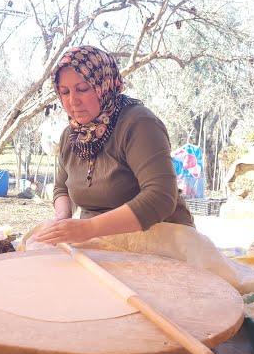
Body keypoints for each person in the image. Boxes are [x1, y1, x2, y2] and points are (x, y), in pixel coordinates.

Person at [33, 45, 194, 246]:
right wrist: (61, 219)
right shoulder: (71, 136)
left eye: (83, 89)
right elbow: (62, 188)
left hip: (161, 243)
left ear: (104, 84)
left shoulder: (138, 123)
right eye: (64, 92)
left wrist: (88, 228)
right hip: (102, 246)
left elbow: (160, 197)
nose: (72, 100)